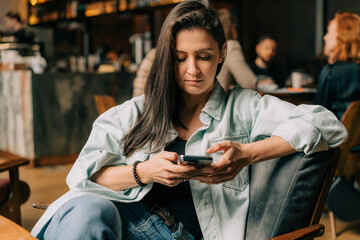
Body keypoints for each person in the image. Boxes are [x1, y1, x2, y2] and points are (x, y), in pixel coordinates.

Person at [31, 1, 347, 240]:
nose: (192, 70)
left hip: (174, 233)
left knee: (83, 215)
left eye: (204, 56)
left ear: (222, 53)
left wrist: (247, 154)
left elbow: (328, 124)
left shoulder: (244, 107)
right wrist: (145, 171)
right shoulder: (141, 111)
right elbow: (82, 178)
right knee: (87, 209)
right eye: (181, 58)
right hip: (122, 221)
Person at [313, 12, 360, 120]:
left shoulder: (331, 72)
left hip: (336, 135)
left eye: (329, 32)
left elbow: (316, 114)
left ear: (342, 36)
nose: (325, 37)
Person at [216, 8, 257, 91]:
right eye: (235, 28)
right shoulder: (230, 46)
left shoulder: (214, 47)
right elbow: (249, 83)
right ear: (231, 28)